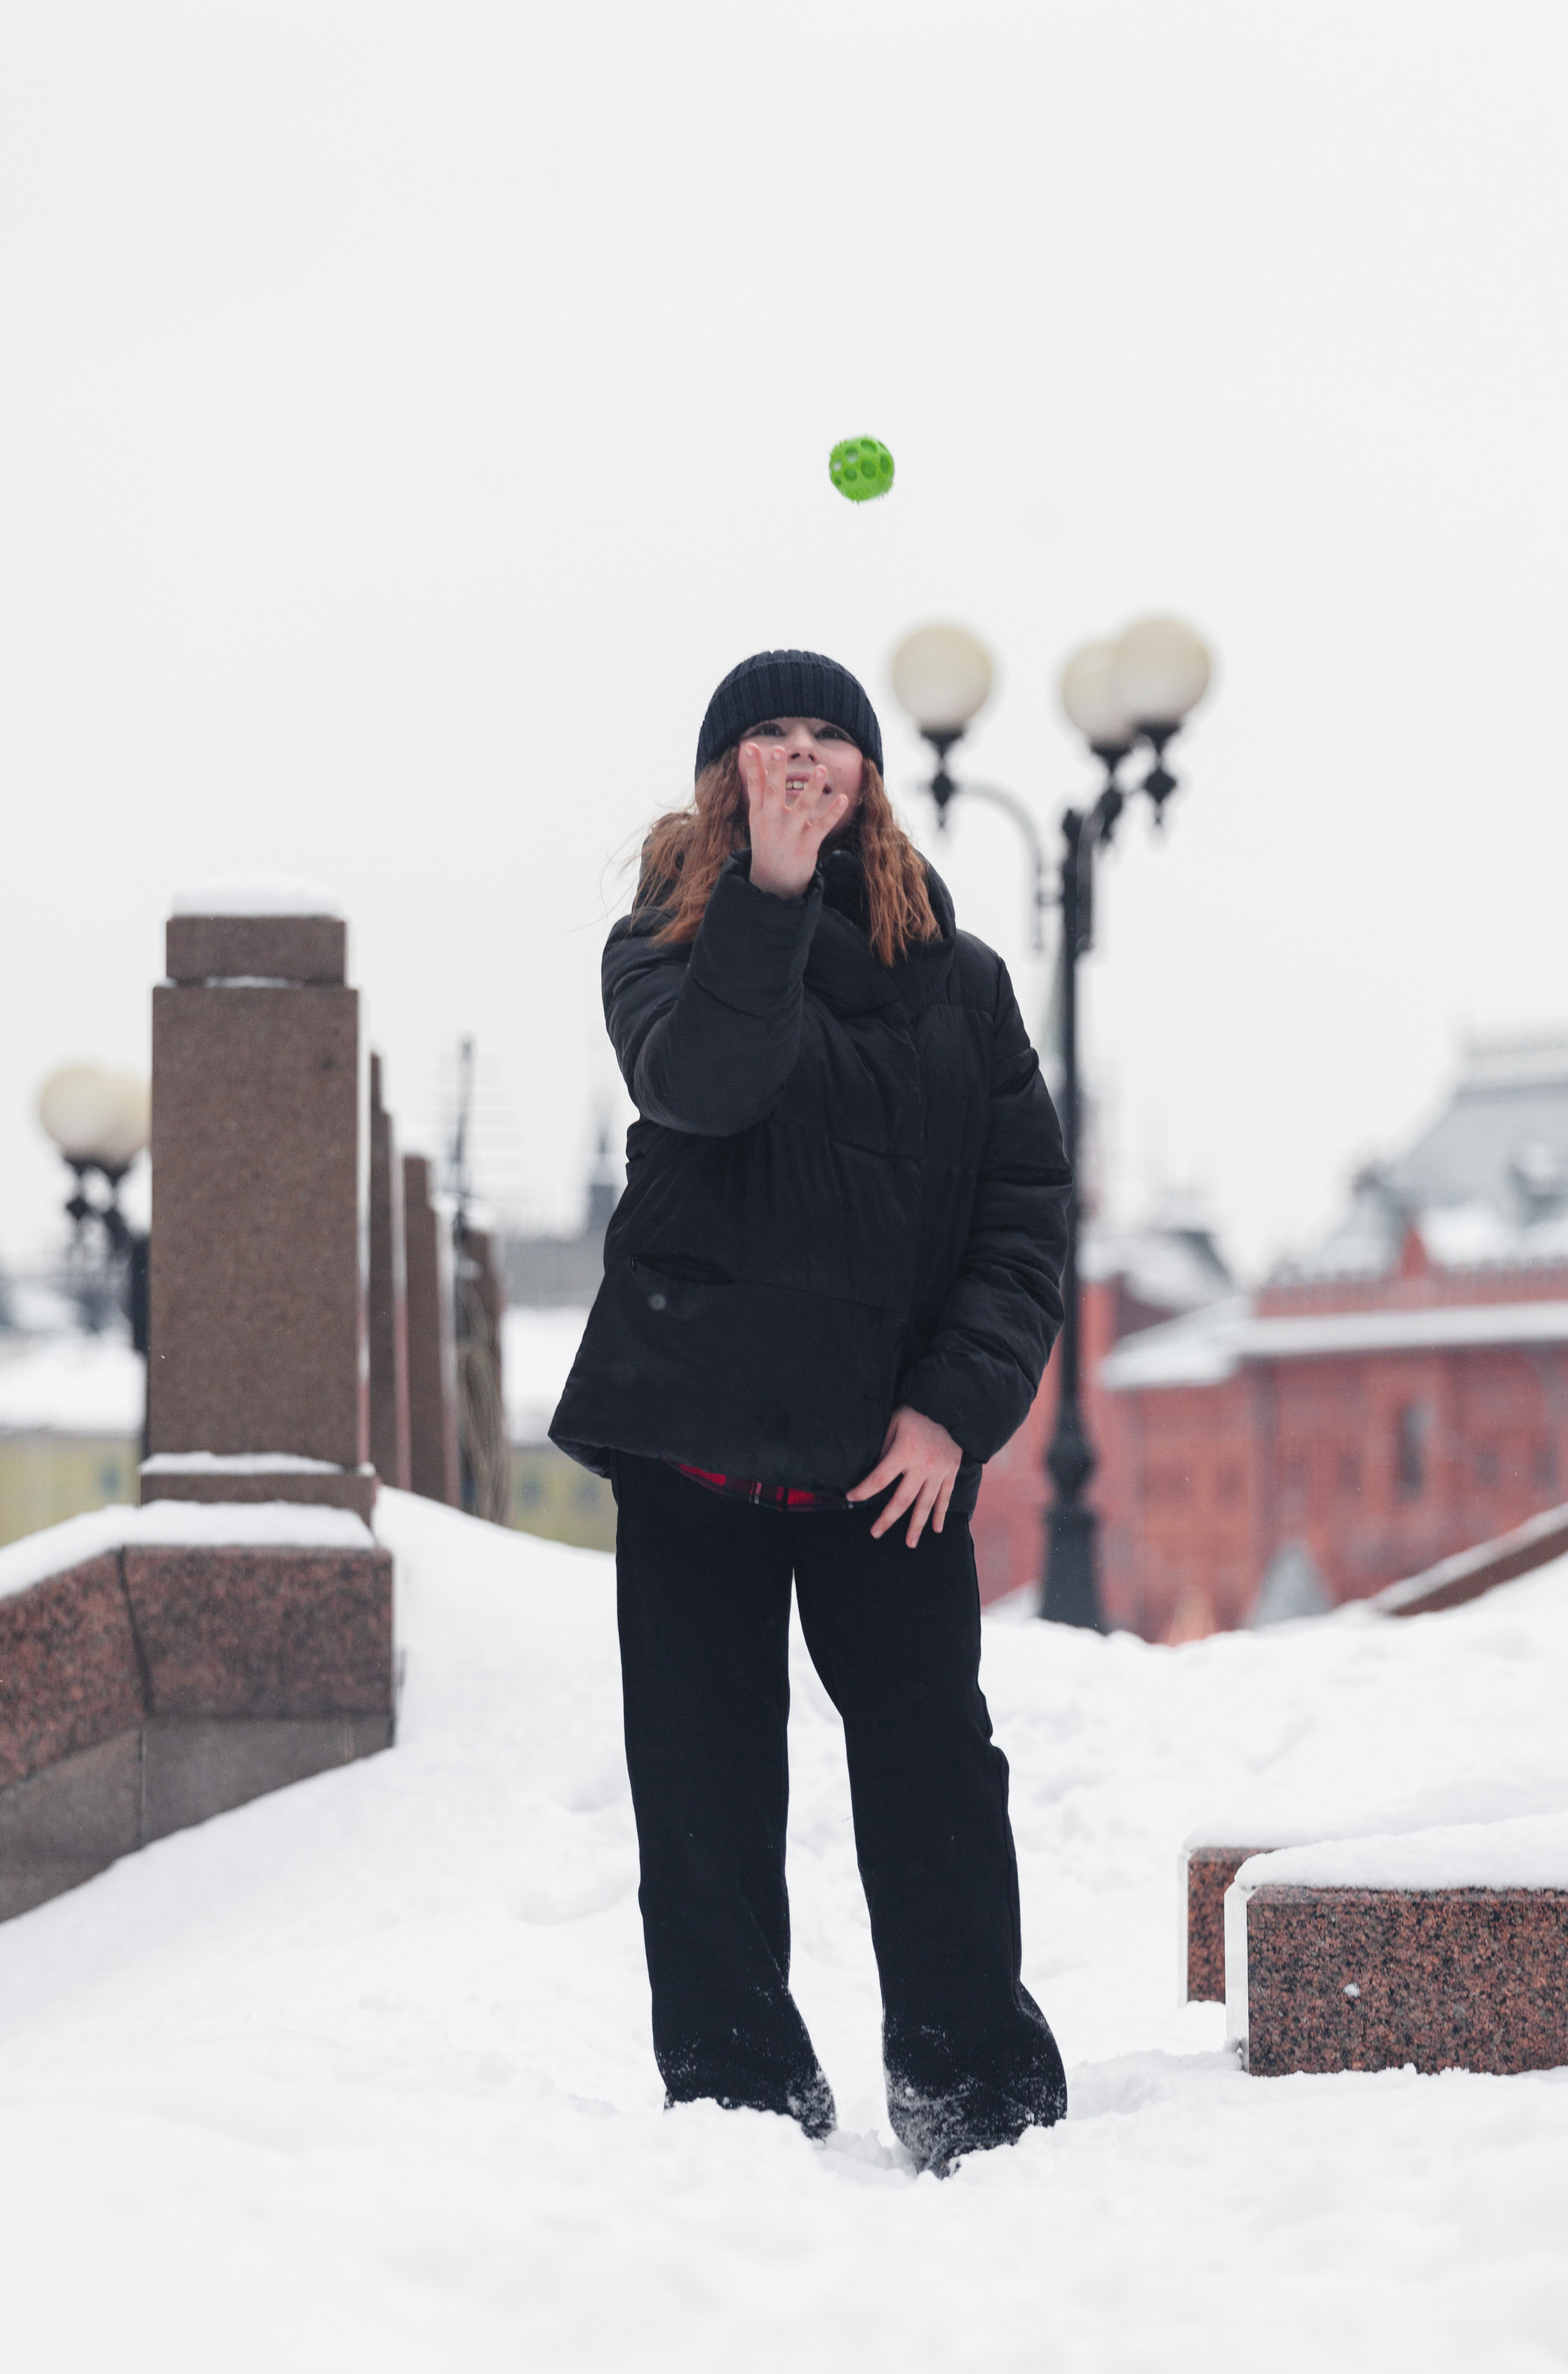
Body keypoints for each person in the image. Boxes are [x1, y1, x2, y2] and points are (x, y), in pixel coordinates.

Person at [552, 648, 1071, 2171]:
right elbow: (705, 1086)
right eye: (768, 735)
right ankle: (739, 2102)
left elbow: (1021, 1219)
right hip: (694, 1433)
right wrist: (766, 897)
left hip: (889, 1455)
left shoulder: (961, 983)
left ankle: (975, 2091)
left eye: (826, 736)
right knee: (701, 1783)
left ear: (868, 776)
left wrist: (951, 1413)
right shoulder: (660, 941)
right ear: (724, 774)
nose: (798, 756)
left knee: (933, 1766)